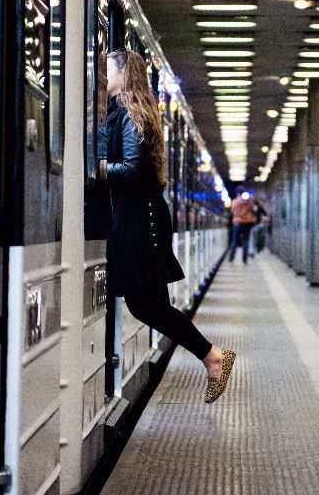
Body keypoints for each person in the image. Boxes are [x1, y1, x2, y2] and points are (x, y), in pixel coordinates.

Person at [101, 49, 237, 403]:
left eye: (107, 69)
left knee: (146, 306)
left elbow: (134, 170)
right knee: (154, 306)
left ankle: (213, 357)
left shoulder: (131, 116)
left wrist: (96, 169)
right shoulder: (126, 113)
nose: (102, 76)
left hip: (139, 224)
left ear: (124, 74)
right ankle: (213, 358)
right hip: (142, 220)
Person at [228, 188, 257, 264]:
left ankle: (231, 258)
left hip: (237, 223)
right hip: (247, 223)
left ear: (237, 193)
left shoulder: (234, 202)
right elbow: (253, 209)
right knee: (246, 241)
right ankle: (245, 260)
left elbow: (232, 211)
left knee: (234, 241)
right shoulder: (249, 200)